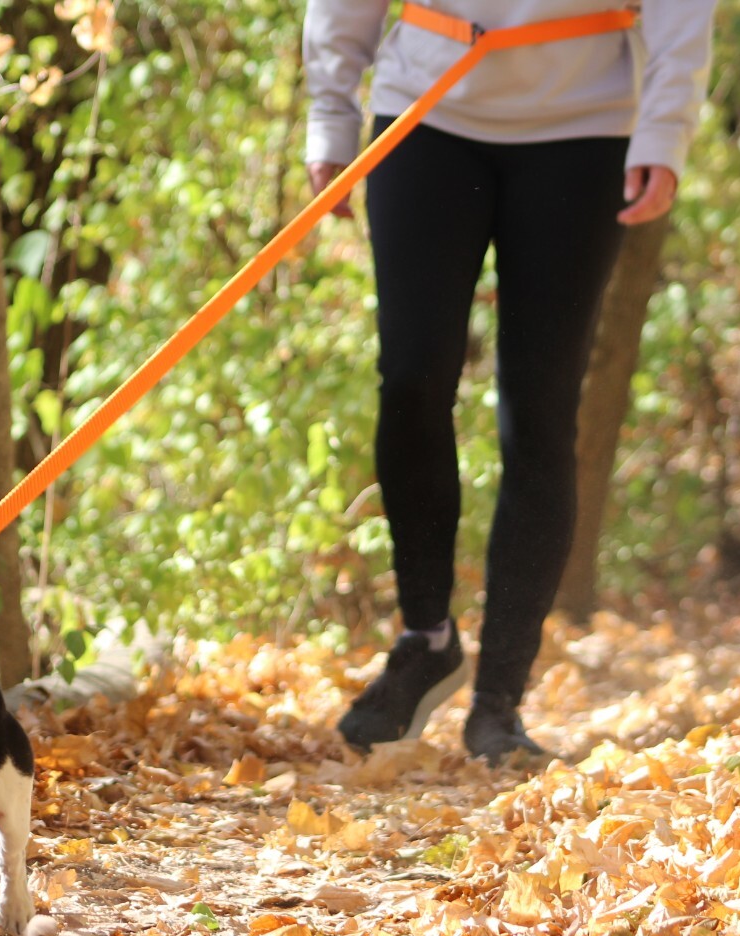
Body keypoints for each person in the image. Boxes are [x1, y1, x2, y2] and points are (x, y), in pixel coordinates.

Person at [303, 0, 717, 761]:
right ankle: (427, 639)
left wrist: (665, 130)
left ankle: (499, 701)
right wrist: (331, 116)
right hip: (424, 112)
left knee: (540, 412)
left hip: (583, 128)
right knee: (411, 381)